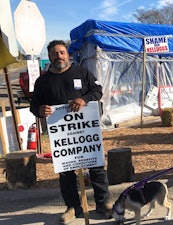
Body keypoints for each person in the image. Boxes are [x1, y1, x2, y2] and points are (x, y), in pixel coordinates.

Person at [29, 40, 112, 224]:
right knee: (66, 171)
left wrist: (83, 99)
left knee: (96, 166)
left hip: (86, 129)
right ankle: (73, 207)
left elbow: (97, 90)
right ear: (49, 57)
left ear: (67, 55)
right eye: (54, 53)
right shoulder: (42, 81)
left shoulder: (81, 72)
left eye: (62, 52)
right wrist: (40, 110)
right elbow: (34, 105)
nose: (58, 56)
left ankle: (103, 203)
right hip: (62, 134)